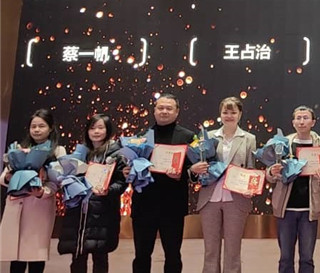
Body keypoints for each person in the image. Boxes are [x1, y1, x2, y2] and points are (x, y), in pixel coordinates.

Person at [126, 93, 195, 273]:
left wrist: (181, 174)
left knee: (173, 255)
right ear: (154, 111)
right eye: (160, 108)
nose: (164, 111)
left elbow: (196, 170)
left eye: (169, 108)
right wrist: (129, 171)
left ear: (177, 112)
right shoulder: (140, 137)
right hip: (144, 205)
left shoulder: (189, 137)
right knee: (141, 255)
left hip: (173, 206)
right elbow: (132, 167)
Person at [190, 97, 257, 273]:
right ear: (220, 114)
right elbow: (197, 164)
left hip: (236, 199)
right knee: (210, 250)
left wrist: (250, 187)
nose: (229, 116)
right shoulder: (207, 137)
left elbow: (251, 168)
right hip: (210, 198)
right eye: (225, 112)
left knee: (233, 250)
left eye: (233, 112)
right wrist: (196, 170)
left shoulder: (249, 138)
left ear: (240, 114)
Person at [267, 105, 320, 273]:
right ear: (293, 122)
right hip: (285, 209)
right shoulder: (283, 144)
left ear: (313, 122)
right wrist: (272, 172)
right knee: (285, 257)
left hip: (309, 210)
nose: (301, 121)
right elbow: (270, 174)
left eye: (305, 118)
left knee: (307, 258)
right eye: (298, 118)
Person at [57, 113, 127, 273]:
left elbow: (121, 183)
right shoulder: (80, 153)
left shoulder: (117, 154)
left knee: (100, 257)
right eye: (92, 128)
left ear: (108, 130)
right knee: (77, 256)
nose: (96, 131)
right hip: (79, 212)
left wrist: (108, 191)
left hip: (102, 212)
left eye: (100, 128)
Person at [0, 108, 67, 273]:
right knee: (16, 255)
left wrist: (42, 192)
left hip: (39, 208)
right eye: (33, 126)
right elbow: (3, 178)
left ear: (50, 128)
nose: (37, 130)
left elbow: (58, 181)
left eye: (41, 126)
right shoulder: (19, 148)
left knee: (35, 254)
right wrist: (8, 177)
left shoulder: (58, 151)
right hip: (16, 206)